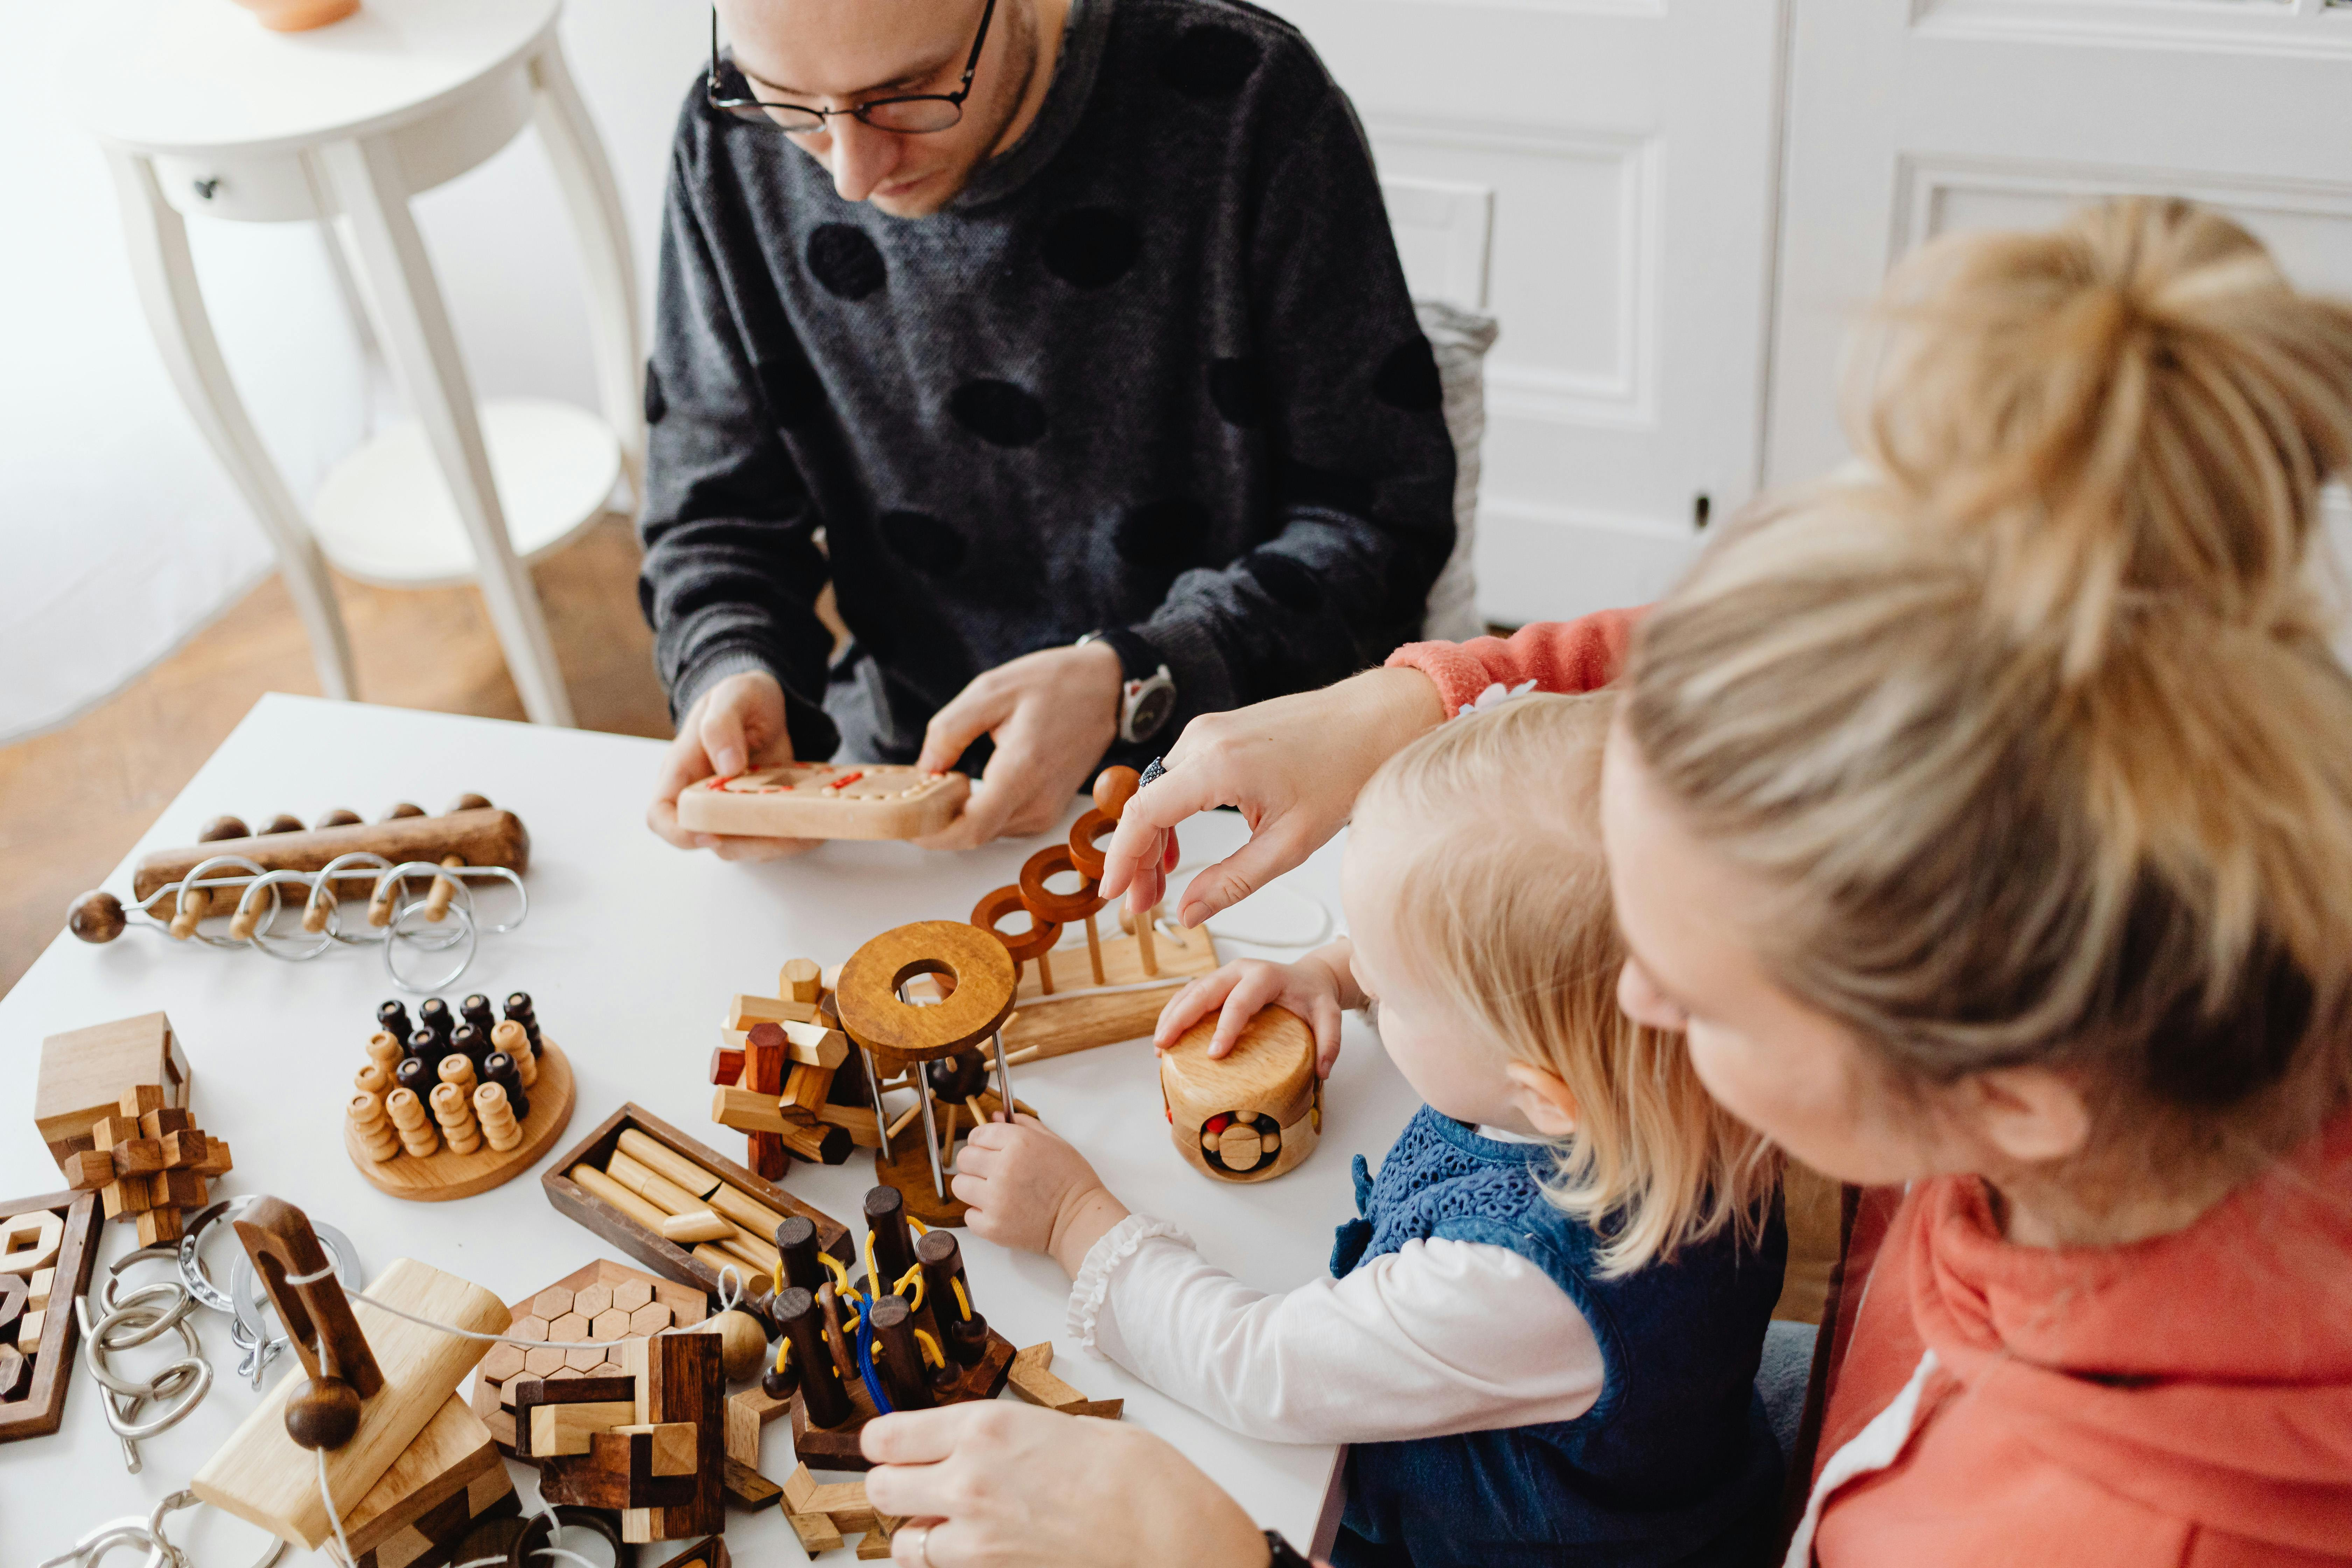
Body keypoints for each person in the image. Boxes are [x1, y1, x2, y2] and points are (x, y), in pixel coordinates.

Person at [861, 198, 2352, 1566]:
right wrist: (1425, 701)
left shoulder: (2096, 1531)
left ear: (2009, 1100)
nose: (1630, 999)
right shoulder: (2111, 932)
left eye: (1692, 997)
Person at [947, 693, 1787, 1566]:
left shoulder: (1527, 1281)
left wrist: (1074, 1218)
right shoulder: (1681, 1073)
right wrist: (1330, 973)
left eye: (1388, 989)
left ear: (1543, 1094)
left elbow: (1257, 1365)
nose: (1368, 986)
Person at [637, 0, 1457, 860]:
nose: (851, 173)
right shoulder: (728, 134)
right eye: (790, 102)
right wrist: (731, 665)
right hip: (903, 775)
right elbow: (714, 514)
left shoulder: (1247, 96)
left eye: (908, 92)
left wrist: (1134, 679)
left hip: (1253, 794)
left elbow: (1381, 526)